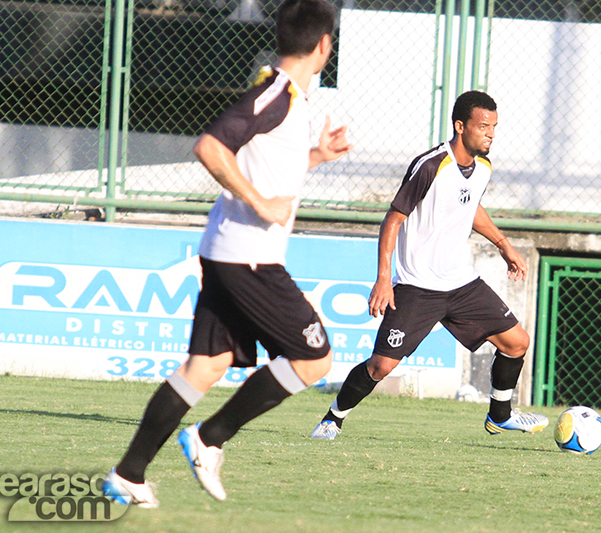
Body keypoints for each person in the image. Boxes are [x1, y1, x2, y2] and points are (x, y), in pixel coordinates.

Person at [103, 0, 351, 507]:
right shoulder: (277, 94)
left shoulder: (290, 98)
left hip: (229, 252)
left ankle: (128, 473)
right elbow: (211, 147)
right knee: (315, 358)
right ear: (324, 45)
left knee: (207, 365)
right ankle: (209, 438)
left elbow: (269, 167)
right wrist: (258, 202)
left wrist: (317, 156)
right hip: (249, 257)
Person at [310, 91, 547, 441]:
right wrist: (384, 279)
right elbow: (393, 220)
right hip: (417, 286)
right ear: (460, 126)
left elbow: (470, 208)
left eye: (494, 127)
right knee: (381, 366)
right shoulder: (431, 165)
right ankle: (333, 418)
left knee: (516, 342)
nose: (491, 134)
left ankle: (501, 415)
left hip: (461, 283)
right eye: (484, 127)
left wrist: (503, 244)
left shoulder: (483, 168)